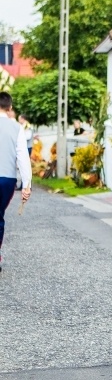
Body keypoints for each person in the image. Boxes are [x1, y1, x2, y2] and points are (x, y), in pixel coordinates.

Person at [0, 92, 32, 272]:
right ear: (10, 108)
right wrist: (27, 185)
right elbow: (23, 157)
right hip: (6, 179)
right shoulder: (16, 128)